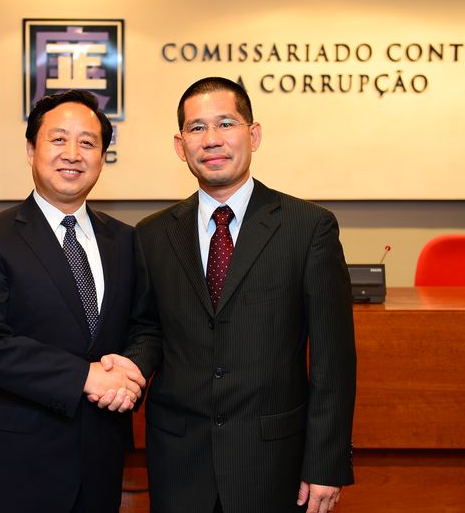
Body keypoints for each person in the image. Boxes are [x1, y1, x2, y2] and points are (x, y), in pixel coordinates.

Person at [105, 76, 356, 513]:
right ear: (181, 145)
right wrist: (129, 371)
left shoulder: (307, 228)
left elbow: (333, 359)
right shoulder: (152, 234)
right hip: (179, 461)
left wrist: (325, 462)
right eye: (197, 128)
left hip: (272, 462)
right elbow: (149, 330)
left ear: (253, 135)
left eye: (226, 124)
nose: (212, 140)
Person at [0, 89, 146, 513]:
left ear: (102, 157)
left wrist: (130, 375)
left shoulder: (124, 240)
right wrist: (84, 377)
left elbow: (143, 326)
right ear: (31, 149)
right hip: (16, 469)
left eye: (87, 142)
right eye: (58, 139)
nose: (72, 154)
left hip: (100, 463)